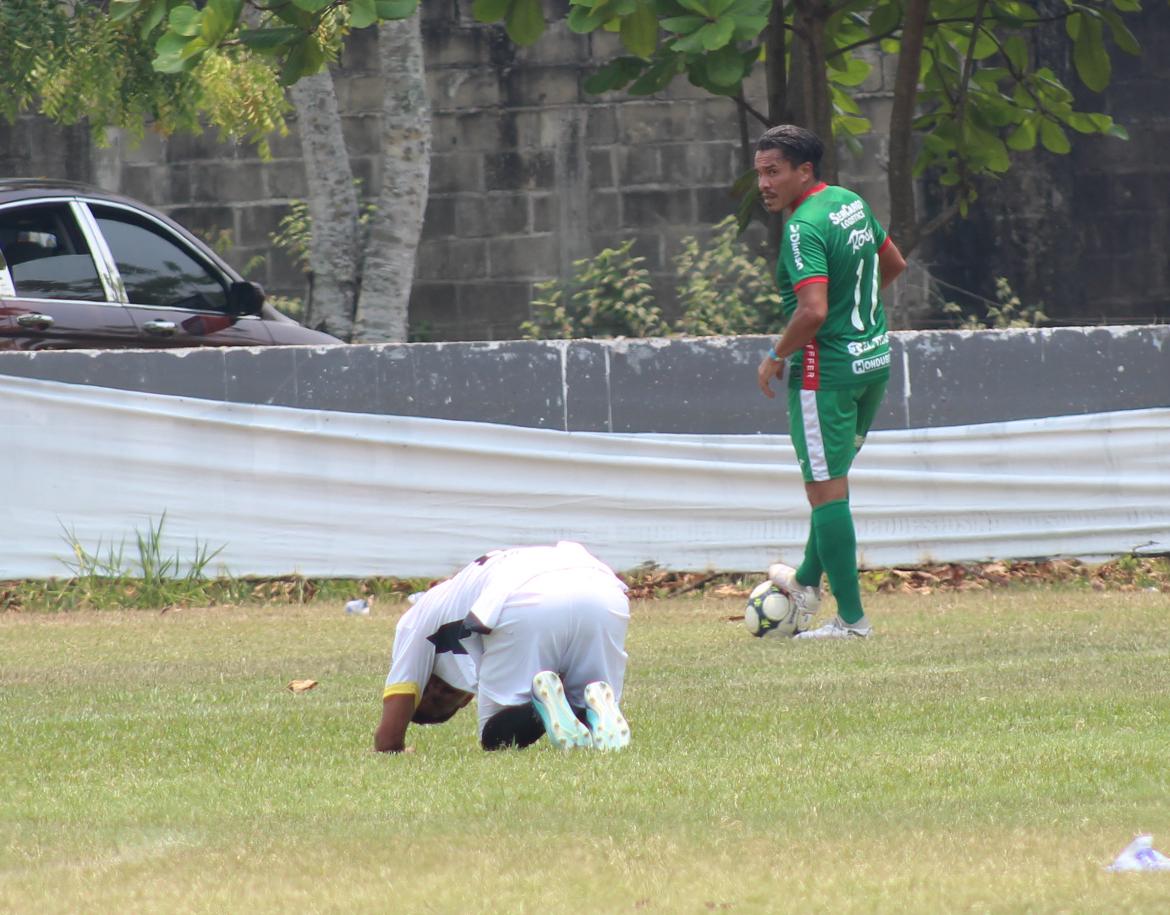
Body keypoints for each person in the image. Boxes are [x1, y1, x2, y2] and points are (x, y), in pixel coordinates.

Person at [753, 124, 907, 639]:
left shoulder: (803, 227)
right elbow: (894, 263)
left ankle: (852, 622)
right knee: (832, 485)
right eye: (759, 173)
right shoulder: (849, 203)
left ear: (804, 171)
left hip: (828, 374)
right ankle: (803, 582)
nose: (765, 183)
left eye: (774, 172)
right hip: (873, 363)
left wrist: (777, 354)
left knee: (825, 492)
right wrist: (854, 313)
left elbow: (812, 310)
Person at [373, 541, 631, 752]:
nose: (441, 688)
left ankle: (540, 708)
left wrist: (394, 748)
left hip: (525, 597)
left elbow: (388, 738)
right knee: (588, 694)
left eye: (429, 691)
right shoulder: (459, 597)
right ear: (466, 700)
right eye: (446, 697)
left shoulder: (416, 619)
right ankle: (596, 710)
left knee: (495, 738)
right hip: (603, 589)